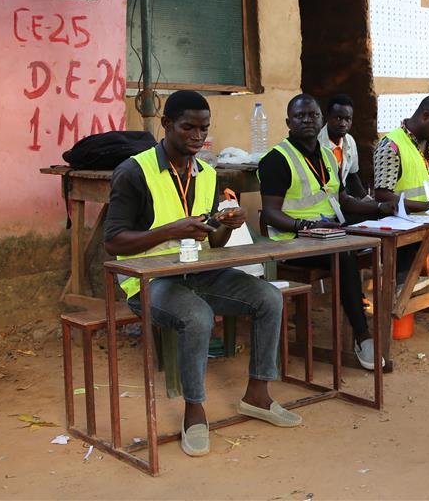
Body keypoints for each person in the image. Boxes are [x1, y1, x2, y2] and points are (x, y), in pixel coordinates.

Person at [104, 90, 301, 459]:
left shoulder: (207, 173)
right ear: (166, 125)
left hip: (199, 270)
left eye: (204, 129)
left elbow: (216, 240)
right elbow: (113, 242)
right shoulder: (135, 171)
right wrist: (170, 230)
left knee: (268, 297)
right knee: (196, 316)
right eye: (188, 127)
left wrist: (229, 221)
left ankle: (257, 394)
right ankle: (194, 412)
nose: (197, 136)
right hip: (149, 280)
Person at [258, 94, 397, 369]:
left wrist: (379, 207)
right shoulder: (277, 159)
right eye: (300, 116)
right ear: (288, 122)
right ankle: (362, 335)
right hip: (292, 240)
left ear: (321, 121)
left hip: (328, 232)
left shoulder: (326, 155)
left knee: (380, 241)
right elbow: (271, 213)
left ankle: (387, 312)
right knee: (343, 255)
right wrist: (307, 226)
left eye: (313, 115)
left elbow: (342, 197)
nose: (307, 120)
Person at [373, 94, 429, 343]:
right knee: (415, 248)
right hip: (401, 225)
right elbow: (382, 195)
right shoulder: (391, 144)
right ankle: (405, 294)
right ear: (425, 116)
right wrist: (424, 204)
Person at [317, 94, 367, 198]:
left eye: (348, 119)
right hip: (320, 200)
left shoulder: (349, 141)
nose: (343, 124)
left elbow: (352, 176)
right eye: (338, 118)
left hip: (341, 199)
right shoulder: (316, 143)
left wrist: (366, 198)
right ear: (327, 117)